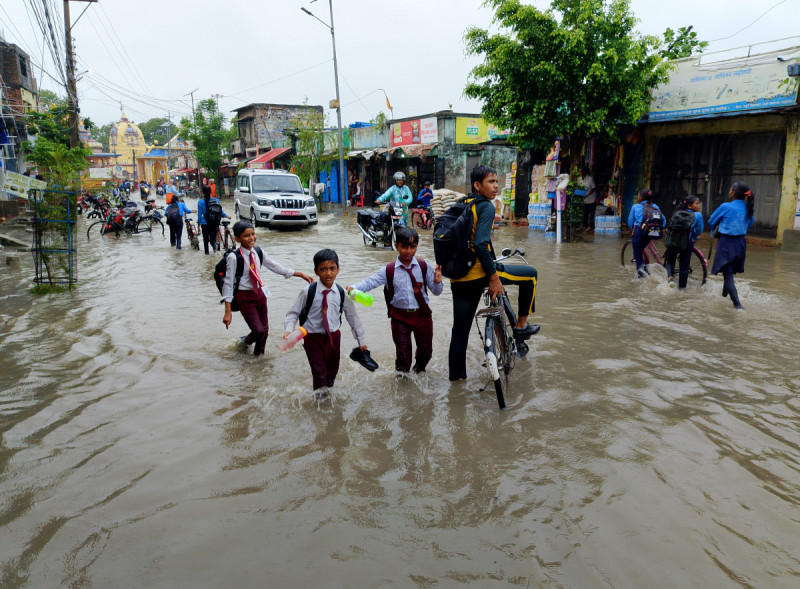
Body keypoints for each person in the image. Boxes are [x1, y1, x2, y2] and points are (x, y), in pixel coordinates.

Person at [448, 165, 540, 382]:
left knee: (459, 333)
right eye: (491, 182)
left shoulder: (462, 204)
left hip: (458, 277)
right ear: (477, 185)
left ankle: (457, 383)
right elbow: (480, 244)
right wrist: (494, 277)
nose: (496, 186)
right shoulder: (486, 207)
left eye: (497, 181)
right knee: (531, 275)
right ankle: (521, 326)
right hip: (479, 274)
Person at [348, 227, 443, 375]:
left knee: (426, 353)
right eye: (404, 247)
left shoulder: (423, 266)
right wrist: (351, 288)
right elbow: (369, 283)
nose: (408, 251)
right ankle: (402, 380)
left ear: (417, 246)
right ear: (396, 245)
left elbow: (437, 292)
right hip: (400, 318)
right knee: (403, 356)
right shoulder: (389, 270)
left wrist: (437, 282)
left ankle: (418, 372)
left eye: (412, 247)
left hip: (422, 316)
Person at [284, 248, 370, 398]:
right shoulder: (308, 291)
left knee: (332, 372)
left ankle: (326, 395)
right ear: (316, 271)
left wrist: (361, 340)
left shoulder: (342, 293)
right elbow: (293, 313)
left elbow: (353, 317)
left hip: (334, 337)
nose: (328, 273)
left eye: (332, 268)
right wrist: (288, 330)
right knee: (318, 372)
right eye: (323, 269)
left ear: (338, 269)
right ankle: (320, 402)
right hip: (312, 337)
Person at [222, 220, 313, 356]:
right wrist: (227, 311)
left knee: (265, 331)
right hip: (245, 297)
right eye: (246, 236)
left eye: (253, 234)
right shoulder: (234, 257)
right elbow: (228, 283)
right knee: (258, 331)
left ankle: (258, 359)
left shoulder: (258, 252)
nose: (251, 238)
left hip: (260, 294)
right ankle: (243, 343)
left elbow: (275, 266)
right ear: (237, 239)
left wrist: (299, 274)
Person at [708, 182, 754, 310]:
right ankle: (723, 297)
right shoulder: (748, 207)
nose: (729, 192)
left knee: (728, 275)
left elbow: (711, 221)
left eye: (730, 190)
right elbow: (749, 224)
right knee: (728, 271)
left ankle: (737, 305)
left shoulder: (726, 206)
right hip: (741, 244)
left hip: (726, 243)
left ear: (733, 193)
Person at [665, 196, 704, 289]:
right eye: (697, 203)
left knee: (670, 261)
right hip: (687, 243)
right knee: (684, 266)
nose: (699, 205)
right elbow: (699, 230)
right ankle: (682, 289)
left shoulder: (677, 213)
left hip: (673, 241)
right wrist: (695, 236)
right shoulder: (697, 215)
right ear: (689, 206)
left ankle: (670, 278)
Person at [627, 188, 665, 278]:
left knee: (638, 255)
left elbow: (630, 222)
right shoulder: (655, 207)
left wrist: (633, 231)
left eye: (638, 195)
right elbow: (663, 221)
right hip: (650, 232)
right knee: (641, 248)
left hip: (638, 231)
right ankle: (645, 271)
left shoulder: (636, 207)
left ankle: (642, 277)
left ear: (641, 197)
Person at [197, 185, 229, 255]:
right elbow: (220, 211)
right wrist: (227, 216)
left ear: (203, 192)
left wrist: (198, 225)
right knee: (213, 240)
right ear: (210, 192)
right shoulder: (216, 200)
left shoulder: (200, 202)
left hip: (205, 224)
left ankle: (207, 254)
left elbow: (199, 215)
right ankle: (215, 250)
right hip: (214, 223)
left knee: (205, 240)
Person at [576, 167, 598, 233]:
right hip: (584, 199)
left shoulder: (590, 179)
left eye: (582, 172)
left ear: (585, 172)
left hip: (591, 198)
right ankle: (584, 225)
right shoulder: (579, 179)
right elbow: (579, 188)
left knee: (591, 213)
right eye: (580, 172)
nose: (580, 173)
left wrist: (587, 195)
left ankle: (591, 226)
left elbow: (594, 188)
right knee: (585, 213)